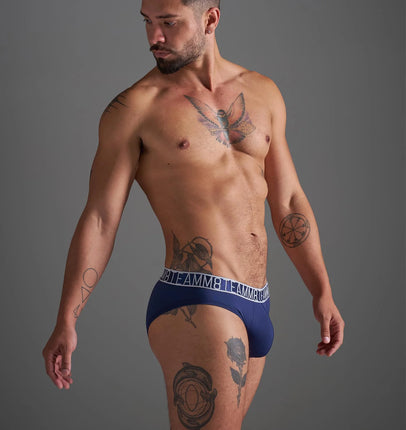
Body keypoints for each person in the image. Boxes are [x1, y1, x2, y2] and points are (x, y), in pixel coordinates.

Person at [42, 0, 345, 428]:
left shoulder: (263, 93)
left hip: (257, 300)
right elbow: (100, 219)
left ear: (210, 19)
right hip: (197, 298)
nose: (154, 37)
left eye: (169, 22)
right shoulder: (135, 109)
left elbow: (289, 200)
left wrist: (321, 290)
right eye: (148, 22)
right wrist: (67, 319)